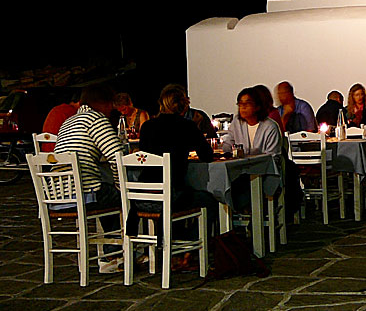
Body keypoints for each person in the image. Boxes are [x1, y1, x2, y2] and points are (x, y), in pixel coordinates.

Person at [135, 84, 219, 257]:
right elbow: (207, 155)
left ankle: (171, 245)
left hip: (142, 197)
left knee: (182, 195)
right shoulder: (186, 126)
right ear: (184, 105)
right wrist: (195, 128)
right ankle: (189, 249)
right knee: (208, 200)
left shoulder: (147, 127)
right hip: (170, 196)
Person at [54, 84, 125, 273]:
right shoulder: (96, 119)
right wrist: (121, 187)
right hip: (84, 193)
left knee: (108, 194)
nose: (113, 109)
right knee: (125, 198)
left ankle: (112, 253)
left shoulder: (69, 122)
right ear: (103, 103)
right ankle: (116, 254)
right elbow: (117, 156)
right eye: (111, 104)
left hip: (57, 196)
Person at [222, 87, 283, 157]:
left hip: (263, 166)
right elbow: (228, 143)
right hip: (239, 166)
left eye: (247, 103)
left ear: (258, 107)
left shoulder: (270, 127)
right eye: (240, 104)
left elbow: (273, 156)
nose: (243, 107)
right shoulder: (237, 123)